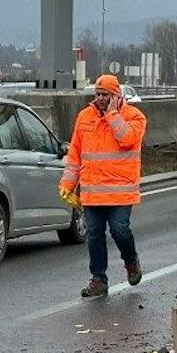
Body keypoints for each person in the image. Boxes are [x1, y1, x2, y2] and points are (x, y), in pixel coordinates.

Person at [60, 74, 147, 298]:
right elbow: (75, 154)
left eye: (105, 95)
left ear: (116, 96)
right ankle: (98, 278)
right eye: (97, 94)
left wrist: (112, 114)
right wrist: (68, 183)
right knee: (95, 234)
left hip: (120, 191)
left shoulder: (134, 117)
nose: (100, 99)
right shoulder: (84, 117)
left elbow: (127, 139)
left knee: (120, 230)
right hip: (92, 191)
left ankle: (131, 261)